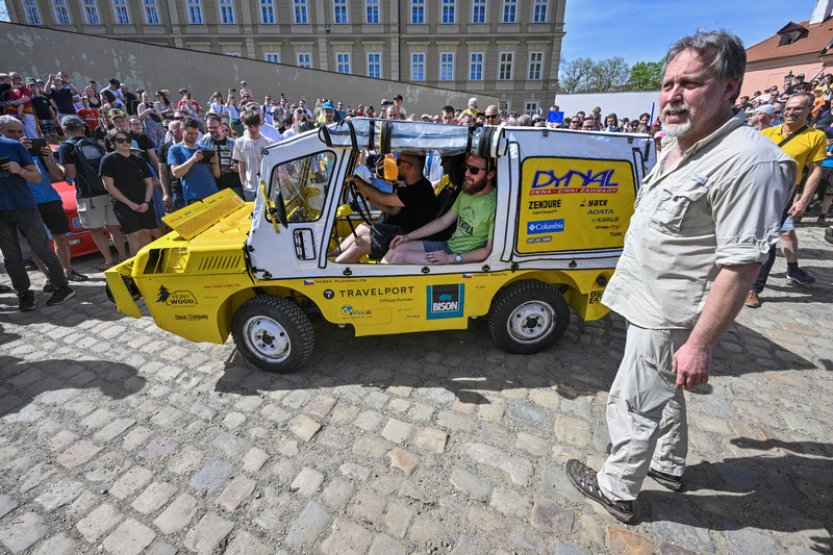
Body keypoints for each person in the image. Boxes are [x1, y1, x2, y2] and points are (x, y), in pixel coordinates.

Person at [564, 30, 795, 524]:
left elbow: (741, 265)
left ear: (730, 87)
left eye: (689, 84)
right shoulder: (680, 143)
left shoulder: (750, 162)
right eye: (668, 83)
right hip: (646, 295)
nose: (672, 95)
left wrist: (700, 345)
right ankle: (667, 465)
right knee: (660, 391)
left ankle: (617, 488)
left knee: (633, 402)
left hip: (671, 311)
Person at [745, 93, 824, 308]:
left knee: (768, 242)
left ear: (809, 110)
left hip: (781, 196)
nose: (791, 112)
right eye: (788, 108)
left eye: (797, 108)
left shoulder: (815, 136)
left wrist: (804, 200)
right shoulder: (767, 133)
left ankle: (754, 288)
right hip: (753, 191)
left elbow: (815, 170)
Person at [0, 116, 87, 285]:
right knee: (36, 245)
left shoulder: (36, 150)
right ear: (1, 131)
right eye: (12, 132)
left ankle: (68, 271)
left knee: (60, 237)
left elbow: (59, 176)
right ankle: (50, 278)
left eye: (20, 131)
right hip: (25, 204)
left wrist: (48, 159)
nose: (17, 135)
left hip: (50, 199)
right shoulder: (6, 152)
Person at [383, 153, 496, 265]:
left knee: (400, 257)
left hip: (460, 259)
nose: (466, 173)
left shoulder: (495, 206)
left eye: (473, 170)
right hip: (448, 246)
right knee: (397, 246)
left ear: (490, 174)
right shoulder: (467, 192)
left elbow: (488, 250)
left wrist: (451, 258)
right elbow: (443, 221)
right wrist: (408, 237)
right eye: (466, 167)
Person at [335, 152, 438, 263]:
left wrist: (356, 180)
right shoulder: (408, 185)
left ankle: (333, 269)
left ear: (408, 166)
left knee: (361, 243)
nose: (396, 165)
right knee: (362, 228)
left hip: (410, 237)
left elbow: (381, 197)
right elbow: (393, 211)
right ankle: (330, 255)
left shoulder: (419, 189)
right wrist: (369, 198)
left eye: (398, 162)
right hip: (400, 231)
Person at [58, 115, 127, 270]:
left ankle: (108, 261)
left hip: (88, 194)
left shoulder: (66, 147)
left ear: (64, 130)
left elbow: (71, 174)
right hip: (108, 189)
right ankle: (123, 257)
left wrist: (60, 168)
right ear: (82, 128)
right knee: (114, 227)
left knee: (96, 230)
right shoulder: (94, 143)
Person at [99, 128, 157, 254]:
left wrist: (146, 202)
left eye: (127, 140)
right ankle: (136, 263)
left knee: (146, 232)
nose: (125, 143)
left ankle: (147, 262)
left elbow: (149, 183)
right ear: (113, 143)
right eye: (120, 140)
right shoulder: (108, 160)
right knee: (135, 234)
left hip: (144, 202)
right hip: (124, 204)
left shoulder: (138, 159)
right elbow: (109, 186)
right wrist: (130, 204)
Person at [168, 117, 220, 204]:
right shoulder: (175, 149)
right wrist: (192, 159)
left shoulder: (204, 149)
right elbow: (176, 173)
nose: (194, 136)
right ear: (181, 130)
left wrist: (216, 164)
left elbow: (217, 175)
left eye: (196, 133)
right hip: (194, 197)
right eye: (190, 133)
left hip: (213, 193)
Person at [232, 109, 273, 201]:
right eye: (250, 126)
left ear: (260, 124)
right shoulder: (239, 142)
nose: (253, 129)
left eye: (256, 125)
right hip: (249, 188)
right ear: (245, 125)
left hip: (267, 186)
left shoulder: (269, 143)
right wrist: (243, 184)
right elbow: (241, 165)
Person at [199, 113, 240, 197]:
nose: (212, 130)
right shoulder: (203, 142)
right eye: (210, 128)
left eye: (215, 127)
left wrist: (237, 167)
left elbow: (241, 162)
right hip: (213, 187)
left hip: (234, 186)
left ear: (221, 126)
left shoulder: (232, 143)